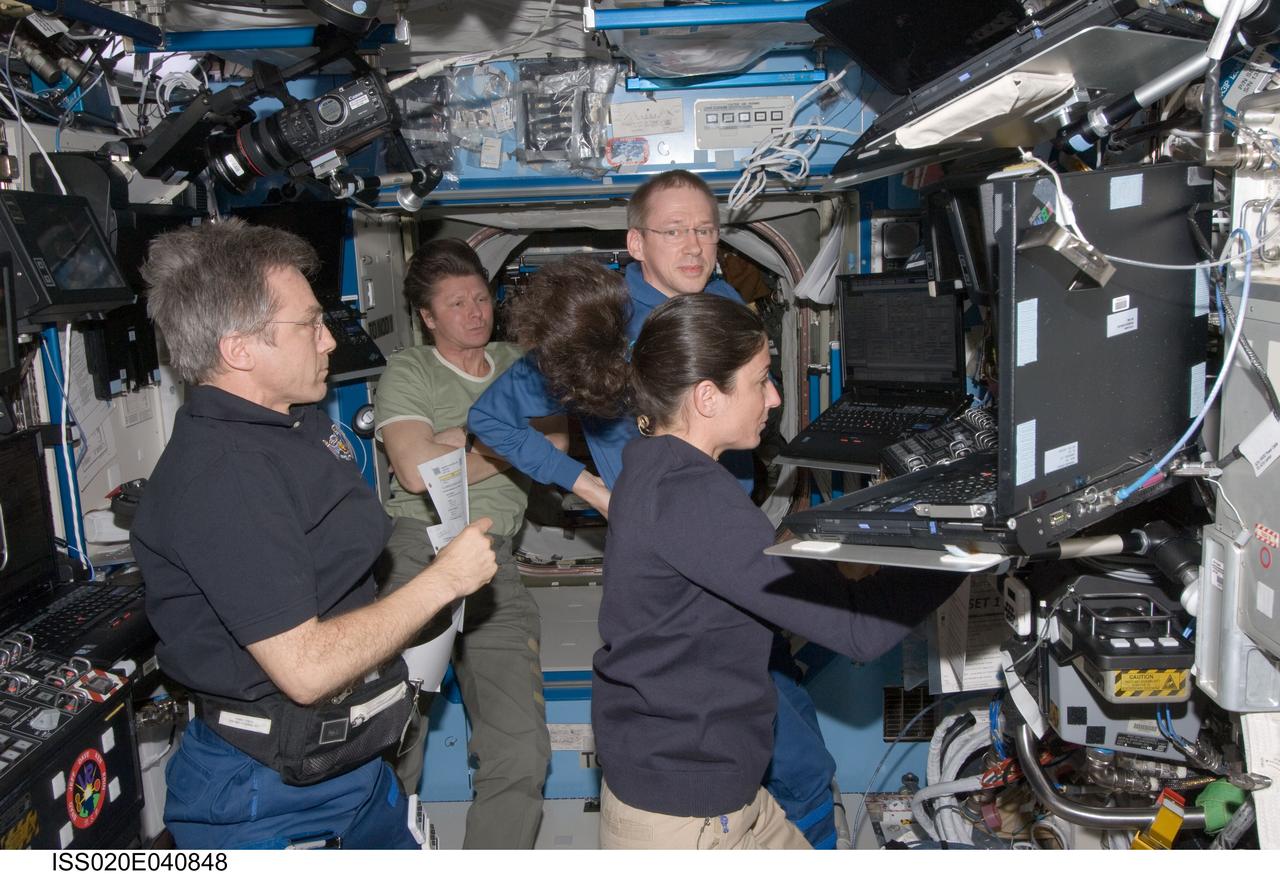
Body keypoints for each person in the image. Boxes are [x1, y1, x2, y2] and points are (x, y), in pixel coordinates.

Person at [505, 263, 963, 848]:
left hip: (724, 793)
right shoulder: (689, 495)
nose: (773, 397)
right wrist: (967, 545)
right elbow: (858, 630)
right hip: (686, 819)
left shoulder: (653, 461)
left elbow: (739, 565)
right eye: (761, 380)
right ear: (706, 396)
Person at [468, 169, 843, 846]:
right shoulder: (602, 331)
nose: (694, 245)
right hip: (682, 574)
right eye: (674, 231)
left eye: (705, 228)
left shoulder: (722, 299)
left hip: (737, 547)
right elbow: (492, 418)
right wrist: (594, 490)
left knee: (787, 737)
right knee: (796, 755)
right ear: (636, 243)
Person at [130, 219, 497, 850]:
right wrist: (445, 581)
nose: (330, 340)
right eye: (309, 324)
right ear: (239, 347)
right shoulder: (225, 476)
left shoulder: (287, 427)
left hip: (348, 764)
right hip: (268, 791)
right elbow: (304, 668)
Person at [373, 238, 554, 848]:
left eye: (481, 298)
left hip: (494, 564)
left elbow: (559, 443)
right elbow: (416, 473)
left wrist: (457, 441)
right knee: (394, 742)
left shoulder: (518, 362)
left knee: (522, 751)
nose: (476, 313)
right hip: (420, 552)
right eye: (457, 304)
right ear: (427, 317)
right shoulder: (410, 370)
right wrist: (509, 437)